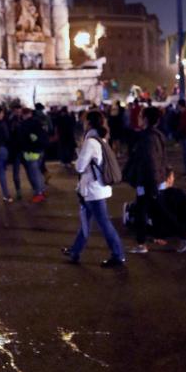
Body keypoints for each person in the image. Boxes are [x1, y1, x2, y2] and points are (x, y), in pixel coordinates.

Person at [123, 106, 186, 254]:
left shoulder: (148, 137)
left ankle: (184, 236)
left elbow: (151, 162)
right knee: (145, 211)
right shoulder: (155, 135)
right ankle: (142, 244)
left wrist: (152, 184)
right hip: (151, 180)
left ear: (145, 119)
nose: (138, 118)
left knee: (157, 210)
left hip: (148, 181)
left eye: (140, 116)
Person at [61, 109, 126, 268]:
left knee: (104, 223)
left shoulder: (90, 142)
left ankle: (118, 255)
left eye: (84, 120)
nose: (83, 123)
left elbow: (79, 166)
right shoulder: (101, 139)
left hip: (93, 189)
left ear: (89, 123)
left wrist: (79, 152)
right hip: (94, 188)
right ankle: (75, 251)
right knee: (86, 221)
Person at [18, 106, 47, 203]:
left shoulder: (25, 124)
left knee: (34, 173)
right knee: (38, 172)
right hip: (40, 150)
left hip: (31, 152)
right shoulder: (38, 123)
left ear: (24, 115)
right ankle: (42, 190)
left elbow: (23, 139)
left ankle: (39, 193)